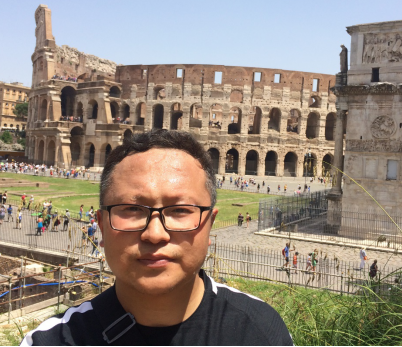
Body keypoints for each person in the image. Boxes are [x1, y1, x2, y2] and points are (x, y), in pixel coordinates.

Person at [22, 129, 291, 346]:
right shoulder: (49, 342)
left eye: (180, 210)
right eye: (131, 209)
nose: (154, 234)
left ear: (209, 224)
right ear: (101, 226)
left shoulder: (262, 332)